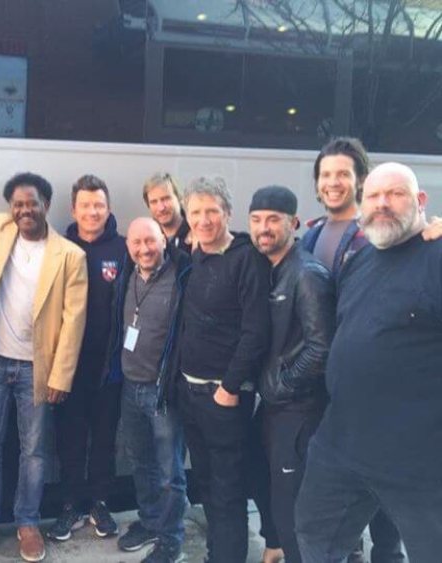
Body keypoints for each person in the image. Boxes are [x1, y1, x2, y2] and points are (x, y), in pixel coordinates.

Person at [295, 163, 442, 562]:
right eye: (373, 196)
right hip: (342, 444)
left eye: (394, 194)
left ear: (420, 201)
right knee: (315, 535)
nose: (381, 204)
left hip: (417, 459)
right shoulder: (360, 261)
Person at [0, 172, 87, 563]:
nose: (24, 210)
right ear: (8, 208)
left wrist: (60, 376)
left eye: (32, 203)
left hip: (37, 369)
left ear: (47, 204)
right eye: (17, 203)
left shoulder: (70, 255)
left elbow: (73, 320)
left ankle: (27, 523)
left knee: (33, 452)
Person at [301, 137, 405, 563]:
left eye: (343, 173)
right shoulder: (312, 234)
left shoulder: (379, 234)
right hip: (326, 380)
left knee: (384, 484)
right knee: (344, 481)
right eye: (326, 175)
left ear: (359, 179)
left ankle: (387, 554)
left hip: (372, 384)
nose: (333, 182)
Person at [174, 176, 271, 563]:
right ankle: (218, 552)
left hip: (223, 397)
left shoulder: (246, 260)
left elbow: (256, 330)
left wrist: (230, 387)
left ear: (228, 213)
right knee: (207, 484)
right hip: (190, 393)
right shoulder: (196, 256)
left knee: (228, 488)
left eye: (212, 211)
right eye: (195, 212)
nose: (203, 219)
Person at [248, 186, 335, 563]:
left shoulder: (307, 275)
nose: (263, 228)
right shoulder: (271, 268)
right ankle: (275, 547)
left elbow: (322, 348)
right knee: (258, 477)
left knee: (293, 509)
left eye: (272, 220)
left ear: (293, 223)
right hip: (274, 406)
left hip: (298, 410)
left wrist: (278, 385)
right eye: (256, 220)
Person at [48, 175, 126, 542]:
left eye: (99, 204)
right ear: (73, 209)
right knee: (70, 439)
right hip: (68, 367)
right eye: (85, 205)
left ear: (108, 208)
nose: (92, 211)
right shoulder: (58, 249)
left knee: (104, 438)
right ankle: (70, 505)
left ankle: (99, 503)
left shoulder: (124, 249)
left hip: (109, 367)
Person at [111, 217, 188, 563]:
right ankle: (150, 521)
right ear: (128, 246)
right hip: (130, 386)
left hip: (162, 392)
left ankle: (171, 538)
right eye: (137, 242)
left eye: (151, 241)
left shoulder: (180, 277)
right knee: (140, 462)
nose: (144, 249)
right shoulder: (127, 276)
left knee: (170, 472)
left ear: (163, 241)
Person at [142, 173, 191, 253]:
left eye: (166, 199)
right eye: (154, 202)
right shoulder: (144, 239)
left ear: (179, 198)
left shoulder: (198, 233)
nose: (161, 208)